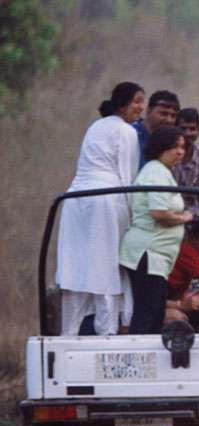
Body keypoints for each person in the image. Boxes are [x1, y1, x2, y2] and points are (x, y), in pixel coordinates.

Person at [56, 81, 145, 335]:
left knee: (77, 269)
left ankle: (68, 336)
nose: (141, 107)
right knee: (105, 269)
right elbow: (127, 177)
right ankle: (107, 335)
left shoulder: (96, 126)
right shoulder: (126, 131)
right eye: (137, 101)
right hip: (105, 200)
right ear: (123, 103)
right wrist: (132, 221)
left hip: (75, 199)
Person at [120, 125, 193, 334]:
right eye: (175, 147)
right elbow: (159, 213)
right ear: (161, 147)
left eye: (182, 147)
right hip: (148, 253)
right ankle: (137, 360)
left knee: (153, 312)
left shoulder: (162, 172)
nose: (180, 152)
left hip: (156, 256)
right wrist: (184, 217)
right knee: (148, 313)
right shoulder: (156, 172)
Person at [173, 107, 199, 211]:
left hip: (194, 213)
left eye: (192, 129)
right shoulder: (168, 154)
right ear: (175, 128)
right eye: (183, 128)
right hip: (171, 210)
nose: (188, 133)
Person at [132, 90, 179, 168]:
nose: (169, 120)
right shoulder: (131, 134)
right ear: (149, 111)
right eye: (164, 113)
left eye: (173, 116)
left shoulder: (171, 144)